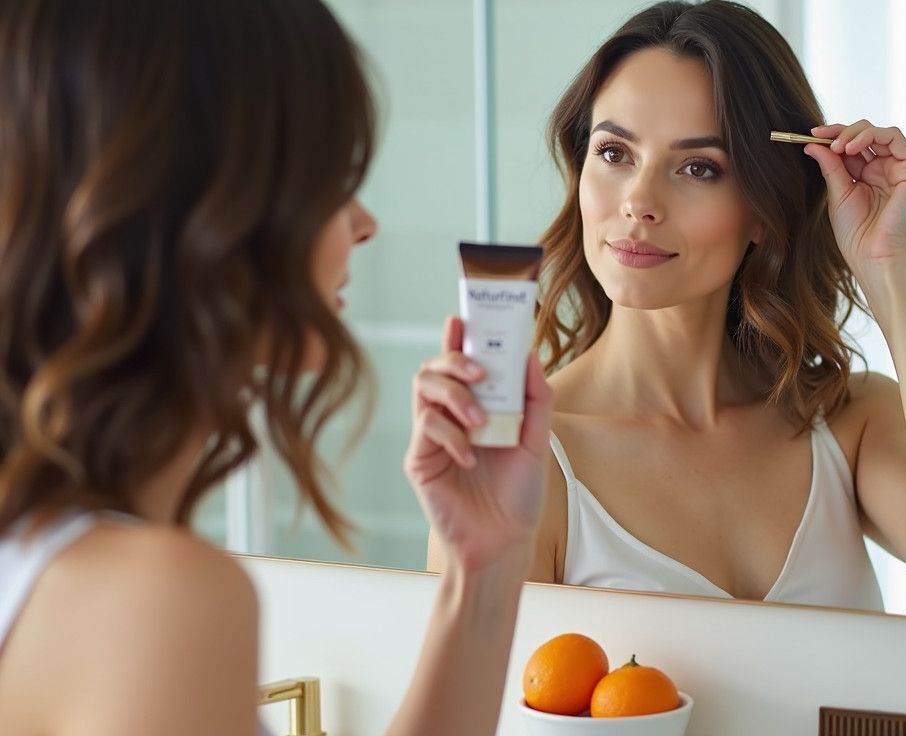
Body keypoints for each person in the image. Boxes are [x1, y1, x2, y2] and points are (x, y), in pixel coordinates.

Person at [0, 1, 548, 734]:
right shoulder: (158, 603)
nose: (364, 222)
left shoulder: (52, 559)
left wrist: (484, 568)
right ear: (206, 210)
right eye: (328, 178)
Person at [418, 0, 906, 611]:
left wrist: (888, 270)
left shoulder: (844, 421)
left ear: (763, 209)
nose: (638, 202)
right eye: (614, 153)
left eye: (698, 167)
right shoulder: (529, 462)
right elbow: (474, 700)